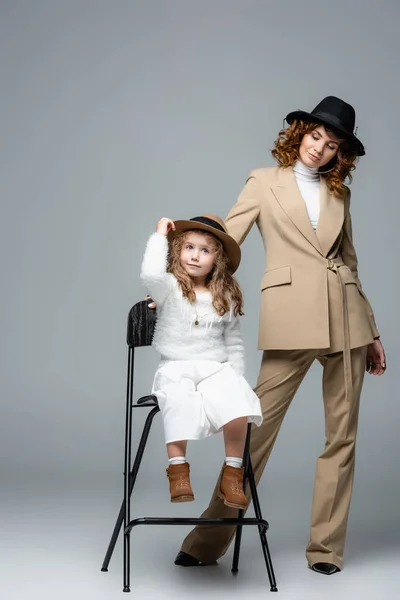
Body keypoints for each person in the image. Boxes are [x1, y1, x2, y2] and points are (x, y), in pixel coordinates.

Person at [165, 96, 387, 575]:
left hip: (348, 320)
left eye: (331, 145)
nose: (320, 149)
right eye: (314, 137)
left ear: (339, 154)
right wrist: (177, 287)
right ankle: (208, 540)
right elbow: (227, 239)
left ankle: (326, 550)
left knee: (341, 438)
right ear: (299, 135)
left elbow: (350, 263)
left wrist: (372, 330)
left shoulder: (339, 194)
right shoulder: (263, 182)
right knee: (252, 431)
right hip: (292, 318)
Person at [140, 214, 263, 507]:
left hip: (214, 367)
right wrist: (159, 235)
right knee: (177, 398)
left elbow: (233, 341)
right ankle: (178, 471)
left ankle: (233, 473)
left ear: (217, 260)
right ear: (178, 252)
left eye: (205, 250)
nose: (195, 256)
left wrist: (237, 376)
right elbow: (150, 275)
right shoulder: (169, 287)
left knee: (237, 401)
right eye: (189, 248)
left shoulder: (225, 295)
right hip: (175, 364)